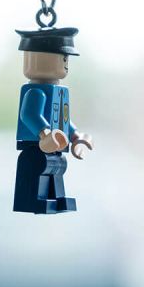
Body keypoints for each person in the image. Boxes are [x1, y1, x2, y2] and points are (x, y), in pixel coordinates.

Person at [14, 27, 93, 214]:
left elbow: (63, 119)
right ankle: (32, 201)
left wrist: (75, 136)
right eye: (62, 56)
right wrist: (45, 134)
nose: (65, 62)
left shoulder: (59, 92)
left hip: (56, 144)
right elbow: (29, 115)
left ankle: (58, 199)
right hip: (36, 145)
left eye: (66, 58)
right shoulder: (36, 91)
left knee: (57, 170)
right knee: (36, 170)